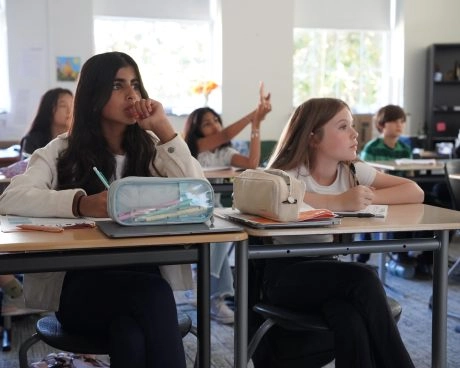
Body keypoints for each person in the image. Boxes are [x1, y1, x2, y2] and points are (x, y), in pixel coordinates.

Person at [0, 51, 205, 368]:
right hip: (83, 289)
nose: (132, 94)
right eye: (117, 85)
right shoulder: (62, 150)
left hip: (143, 277)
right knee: (153, 296)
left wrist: (165, 129)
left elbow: (198, 196)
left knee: (131, 336)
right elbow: (11, 199)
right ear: (94, 95)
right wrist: (79, 203)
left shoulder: (153, 147)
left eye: (135, 84)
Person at [257, 97, 423, 368]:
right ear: (313, 137)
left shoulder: (352, 171)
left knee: (350, 318)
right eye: (343, 126)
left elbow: (414, 191)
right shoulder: (287, 174)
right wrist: (338, 202)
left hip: (330, 271)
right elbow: (276, 197)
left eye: (353, 125)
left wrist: (365, 198)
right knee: (365, 277)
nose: (355, 133)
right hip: (284, 275)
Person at [183, 84, 271, 324]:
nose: (215, 126)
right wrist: (253, 113)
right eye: (207, 123)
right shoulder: (193, 149)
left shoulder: (225, 152)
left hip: (217, 210)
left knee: (224, 229)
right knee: (220, 230)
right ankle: (213, 295)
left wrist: (256, 125)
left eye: (216, 120)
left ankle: (212, 294)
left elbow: (252, 163)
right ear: (196, 130)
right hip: (191, 210)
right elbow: (223, 136)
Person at [20, 87, 73, 158]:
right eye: (63, 106)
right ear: (48, 109)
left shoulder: (78, 139)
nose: (70, 110)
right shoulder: (32, 141)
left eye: (73, 105)